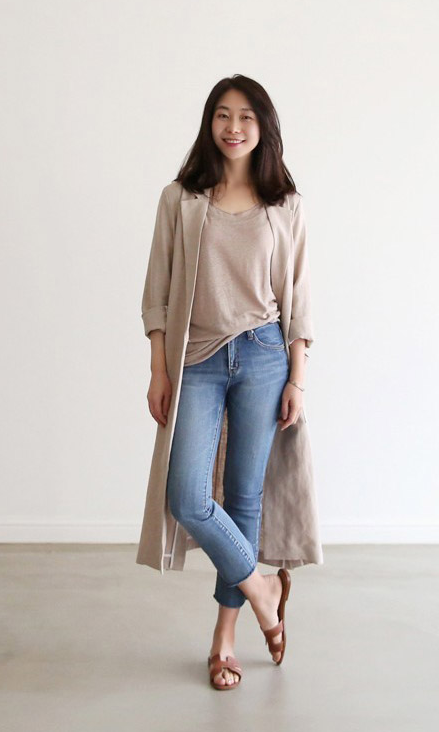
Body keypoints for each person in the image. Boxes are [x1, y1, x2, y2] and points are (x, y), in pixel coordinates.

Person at [143, 75, 314, 689]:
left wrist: (297, 377)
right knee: (189, 497)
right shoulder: (180, 199)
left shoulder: (284, 203)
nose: (233, 127)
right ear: (209, 123)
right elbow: (158, 292)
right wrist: (159, 369)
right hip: (197, 358)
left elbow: (298, 298)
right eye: (222, 114)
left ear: (263, 127)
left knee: (243, 499)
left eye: (245, 116)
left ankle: (224, 642)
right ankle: (264, 591)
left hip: (265, 355)